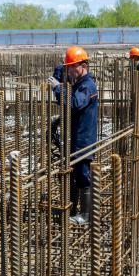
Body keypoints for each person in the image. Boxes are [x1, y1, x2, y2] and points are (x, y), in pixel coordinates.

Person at [48, 46, 99, 225]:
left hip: (84, 139)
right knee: (75, 173)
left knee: (83, 175)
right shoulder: (79, 83)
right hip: (76, 136)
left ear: (83, 65)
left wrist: (58, 89)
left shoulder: (87, 86)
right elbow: (69, 105)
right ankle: (72, 209)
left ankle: (86, 215)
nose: (69, 71)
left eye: (72, 67)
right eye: (68, 68)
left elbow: (74, 103)